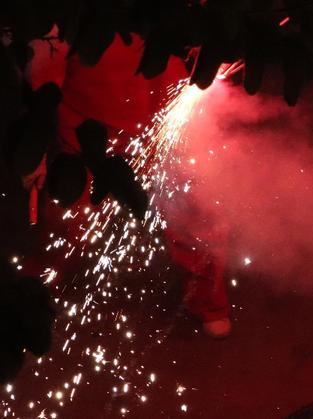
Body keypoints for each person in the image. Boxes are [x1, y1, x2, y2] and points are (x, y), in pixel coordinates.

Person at [23, 35, 233, 338]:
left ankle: (208, 300)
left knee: (197, 214)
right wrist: (36, 147)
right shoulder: (75, 14)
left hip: (166, 118)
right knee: (67, 226)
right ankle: (31, 299)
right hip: (87, 132)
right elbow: (43, 78)